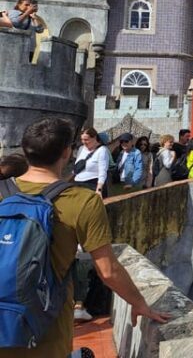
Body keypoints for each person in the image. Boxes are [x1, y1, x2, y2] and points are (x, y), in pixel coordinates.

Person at [0, 118, 169, 357]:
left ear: (25, 150)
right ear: (67, 152)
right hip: (45, 331)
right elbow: (108, 271)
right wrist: (139, 302)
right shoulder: (83, 201)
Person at [73, 127, 111, 198]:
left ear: (94, 138)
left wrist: (99, 190)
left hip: (92, 184)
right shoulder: (81, 149)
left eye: (86, 140)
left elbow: (102, 172)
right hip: (78, 184)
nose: (83, 142)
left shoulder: (102, 150)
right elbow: (77, 167)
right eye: (82, 140)